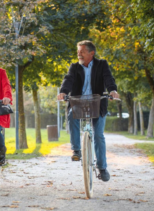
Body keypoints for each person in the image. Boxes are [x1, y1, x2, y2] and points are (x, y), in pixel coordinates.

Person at [57, 40, 120, 182]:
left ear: (91, 53)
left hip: (97, 103)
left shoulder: (101, 64)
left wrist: (112, 91)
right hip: (79, 102)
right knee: (71, 114)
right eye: (78, 52)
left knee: (98, 135)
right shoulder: (74, 67)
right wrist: (63, 92)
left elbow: (108, 78)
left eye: (82, 52)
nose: (79, 54)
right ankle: (76, 150)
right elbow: (68, 80)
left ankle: (102, 168)